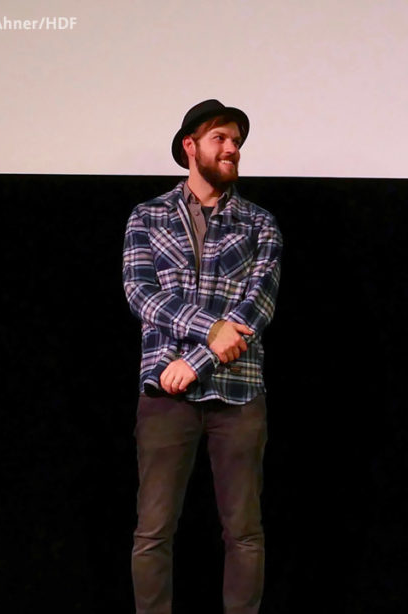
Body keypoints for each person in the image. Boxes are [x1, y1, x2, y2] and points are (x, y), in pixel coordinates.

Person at [122, 99, 282, 614]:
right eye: (221, 138)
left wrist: (196, 362)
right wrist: (209, 330)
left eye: (237, 141)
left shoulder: (260, 224)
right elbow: (142, 296)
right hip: (165, 396)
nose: (232, 148)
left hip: (237, 395)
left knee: (244, 532)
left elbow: (256, 309)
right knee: (153, 531)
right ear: (191, 146)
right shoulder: (148, 217)